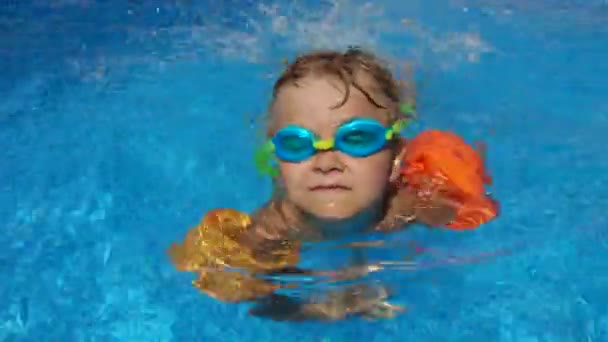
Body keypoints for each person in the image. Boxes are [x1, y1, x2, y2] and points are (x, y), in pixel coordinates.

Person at [167, 47, 499, 321]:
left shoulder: (408, 206)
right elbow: (229, 284)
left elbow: (466, 225)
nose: (326, 162)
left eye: (356, 138)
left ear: (395, 157)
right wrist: (315, 302)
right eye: (297, 144)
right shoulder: (278, 226)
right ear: (278, 164)